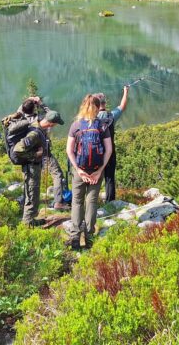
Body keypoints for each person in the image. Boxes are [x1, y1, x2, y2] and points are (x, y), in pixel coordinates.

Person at [66, 94, 113, 249]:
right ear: (99, 107)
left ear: (83, 106)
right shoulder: (102, 126)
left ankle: (74, 237)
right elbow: (108, 150)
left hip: (80, 170)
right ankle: (89, 237)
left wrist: (78, 170)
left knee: (77, 201)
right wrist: (100, 170)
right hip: (96, 171)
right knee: (91, 201)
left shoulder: (76, 125)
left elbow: (69, 150)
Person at [12, 109, 64, 226]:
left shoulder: (37, 126)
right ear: (52, 123)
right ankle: (27, 224)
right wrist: (35, 155)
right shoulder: (35, 133)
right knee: (31, 195)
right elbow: (18, 149)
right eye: (55, 124)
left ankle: (31, 219)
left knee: (34, 194)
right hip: (31, 168)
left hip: (33, 167)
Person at [18, 96, 70, 210]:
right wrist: (41, 103)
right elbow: (51, 114)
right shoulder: (41, 120)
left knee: (29, 178)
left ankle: (24, 203)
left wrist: (28, 101)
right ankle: (58, 202)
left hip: (29, 154)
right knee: (57, 175)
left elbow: (19, 111)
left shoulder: (26, 120)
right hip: (44, 153)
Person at [94, 85, 129, 203]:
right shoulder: (111, 116)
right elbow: (122, 106)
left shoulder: (92, 118)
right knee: (109, 177)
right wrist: (125, 91)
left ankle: (92, 201)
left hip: (95, 152)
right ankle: (110, 201)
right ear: (104, 103)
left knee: (94, 176)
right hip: (110, 152)